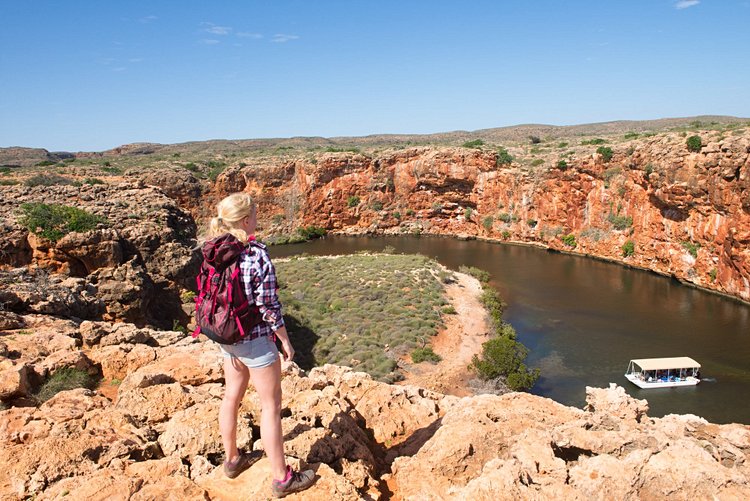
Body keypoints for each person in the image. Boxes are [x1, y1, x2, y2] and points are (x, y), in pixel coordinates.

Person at [205, 192, 315, 498]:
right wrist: (285, 340)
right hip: (254, 341)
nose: (257, 219)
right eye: (254, 214)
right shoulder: (255, 254)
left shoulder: (214, 251)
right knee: (271, 406)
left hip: (226, 338)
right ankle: (282, 478)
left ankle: (232, 460)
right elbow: (268, 306)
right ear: (244, 221)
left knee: (231, 397)